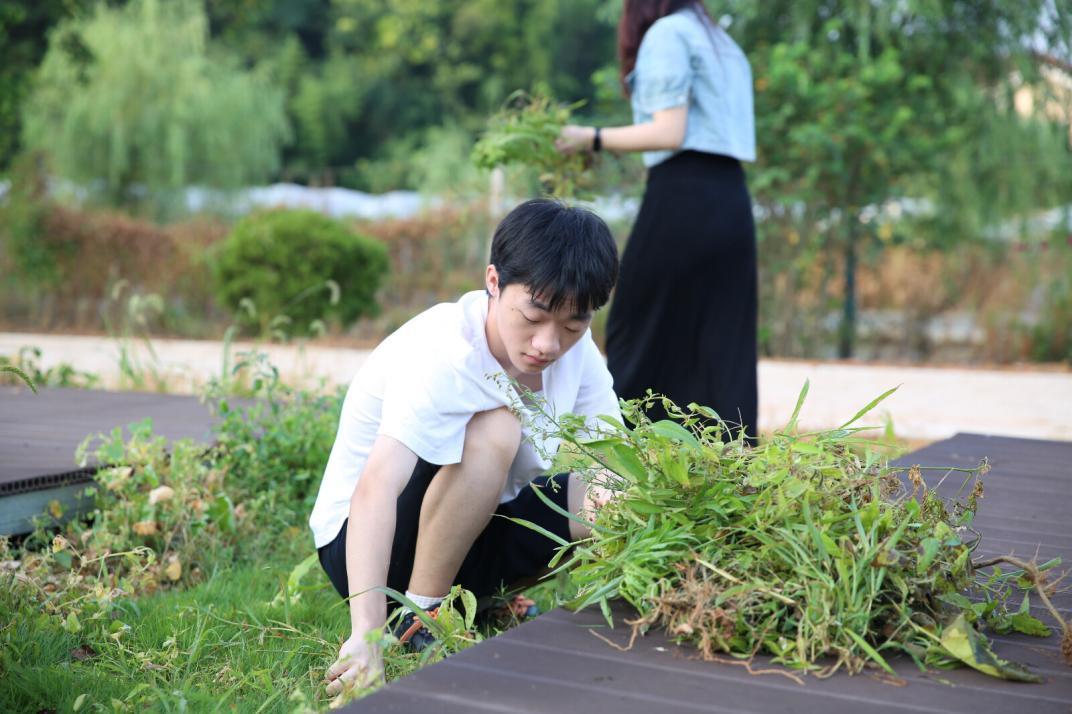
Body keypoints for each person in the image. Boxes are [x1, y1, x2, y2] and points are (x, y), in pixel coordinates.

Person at [309, 198, 621, 695]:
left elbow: (616, 455)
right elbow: (375, 489)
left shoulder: (577, 354)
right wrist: (364, 636)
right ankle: (417, 620)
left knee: (610, 494)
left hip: (465, 531)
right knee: (498, 426)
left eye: (572, 324)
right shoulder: (445, 351)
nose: (547, 344)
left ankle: (473, 599)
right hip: (367, 548)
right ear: (494, 282)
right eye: (534, 315)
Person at [557, 0, 758, 441]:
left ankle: (634, 463)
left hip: (683, 196)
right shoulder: (721, 40)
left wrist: (589, 138)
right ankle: (730, 465)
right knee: (722, 340)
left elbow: (670, 131)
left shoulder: (667, 33)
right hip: (732, 201)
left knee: (636, 329)